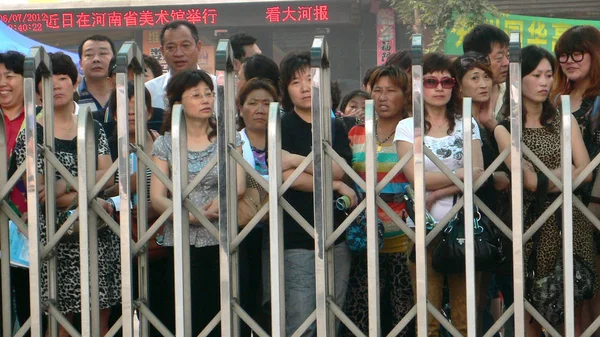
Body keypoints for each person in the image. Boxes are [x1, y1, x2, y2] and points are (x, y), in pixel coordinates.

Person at [11, 52, 119, 337]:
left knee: (101, 320)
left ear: (75, 83)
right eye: (48, 80)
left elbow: (107, 177)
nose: (56, 85)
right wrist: (86, 192)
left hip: (98, 234)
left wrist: (65, 184)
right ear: (37, 90)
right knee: (60, 323)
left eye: (63, 79)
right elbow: (44, 195)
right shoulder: (31, 134)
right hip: (57, 238)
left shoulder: (92, 127)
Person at [495, 45, 598, 335]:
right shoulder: (505, 129)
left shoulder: (565, 121)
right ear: (518, 79)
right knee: (533, 313)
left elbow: (586, 171)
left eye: (549, 75)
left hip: (571, 223)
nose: (544, 82)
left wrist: (544, 178)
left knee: (572, 310)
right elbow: (527, 181)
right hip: (532, 227)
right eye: (536, 74)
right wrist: (567, 174)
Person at [395, 52, 484, 337]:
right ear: (418, 87)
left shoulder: (466, 123)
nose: (439, 88)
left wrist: (439, 190)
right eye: (431, 81)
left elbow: (479, 175)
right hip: (423, 227)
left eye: (446, 81)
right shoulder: (407, 126)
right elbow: (415, 176)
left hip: (463, 224)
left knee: (464, 316)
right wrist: (459, 175)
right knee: (428, 315)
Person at [150, 69, 245, 336]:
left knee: (220, 312)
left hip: (222, 237)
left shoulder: (229, 138)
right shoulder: (165, 144)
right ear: (177, 103)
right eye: (196, 95)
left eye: (209, 94)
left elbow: (237, 184)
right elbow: (156, 196)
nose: (205, 100)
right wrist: (185, 215)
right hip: (180, 239)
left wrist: (218, 203)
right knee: (182, 313)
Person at [275, 51, 355, 336]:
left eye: (311, 79)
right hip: (297, 235)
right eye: (296, 82)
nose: (305, 87)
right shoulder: (281, 125)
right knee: (301, 321)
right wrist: (331, 183)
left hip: (337, 233)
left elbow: (339, 170)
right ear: (286, 89)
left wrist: (295, 160)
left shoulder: (335, 125)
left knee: (333, 314)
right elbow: (286, 179)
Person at [341, 65, 413, 337]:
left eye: (391, 91)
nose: (383, 97)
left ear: (405, 95)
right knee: (362, 319)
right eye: (377, 91)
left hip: (404, 241)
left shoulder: (412, 134)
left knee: (403, 318)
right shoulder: (354, 133)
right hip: (362, 241)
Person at [453, 52, 511, 337]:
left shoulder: (492, 123)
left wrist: (489, 121)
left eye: (486, 76)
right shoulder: (453, 125)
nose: (484, 83)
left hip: (494, 223)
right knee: (467, 301)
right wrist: (493, 180)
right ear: (459, 86)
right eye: (474, 78)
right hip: (461, 221)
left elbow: (517, 163)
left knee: (485, 297)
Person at [551, 25, 600, 335]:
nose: (569, 61)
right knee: (570, 291)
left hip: (592, 205)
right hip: (558, 205)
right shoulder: (555, 100)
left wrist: (595, 202)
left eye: (577, 53)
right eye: (563, 55)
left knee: (594, 289)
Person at [237, 78, 276, 331]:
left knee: (273, 300)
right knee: (245, 294)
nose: (260, 109)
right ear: (241, 109)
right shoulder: (231, 142)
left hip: (280, 230)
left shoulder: (286, 140)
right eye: (253, 103)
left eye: (267, 103)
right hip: (244, 233)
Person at [0, 50, 31, 335]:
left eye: (9, 75)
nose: (3, 83)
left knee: (28, 299)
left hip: (27, 222)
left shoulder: (38, 119)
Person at [145, 20, 217, 111]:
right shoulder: (149, 91)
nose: (178, 53)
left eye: (185, 46)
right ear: (162, 51)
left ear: (198, 47)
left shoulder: (219, 87)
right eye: (171, 47)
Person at [463, 24, 510, 117]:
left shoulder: (513, 93)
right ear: (478, 60)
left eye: (508, 56)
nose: (506, 63)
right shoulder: (459, 99)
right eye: (499, 57)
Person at [77, 35, 116, 119]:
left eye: (103, 53)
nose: (96, 59)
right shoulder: (72, 96)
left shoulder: (126, 94)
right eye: (89, 55)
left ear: (114, 60)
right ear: (80, 63)